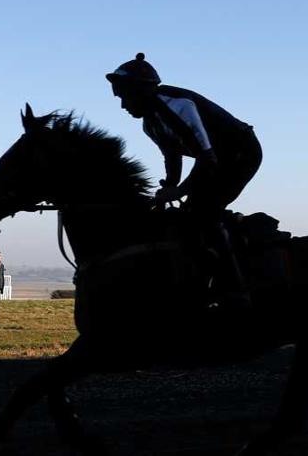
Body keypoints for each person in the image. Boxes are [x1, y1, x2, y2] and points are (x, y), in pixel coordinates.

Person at [105, 53, 262, 308]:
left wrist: (178, 192)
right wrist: (168, 186)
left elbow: (208, 160)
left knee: (204, 211)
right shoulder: (150, 123)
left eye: (124, 96)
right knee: (186, 215)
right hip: (217, 158)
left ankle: (236, 287)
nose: (123, 105)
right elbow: (172, 155)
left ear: (140, 91)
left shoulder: (178, 106)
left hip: (241, 154)